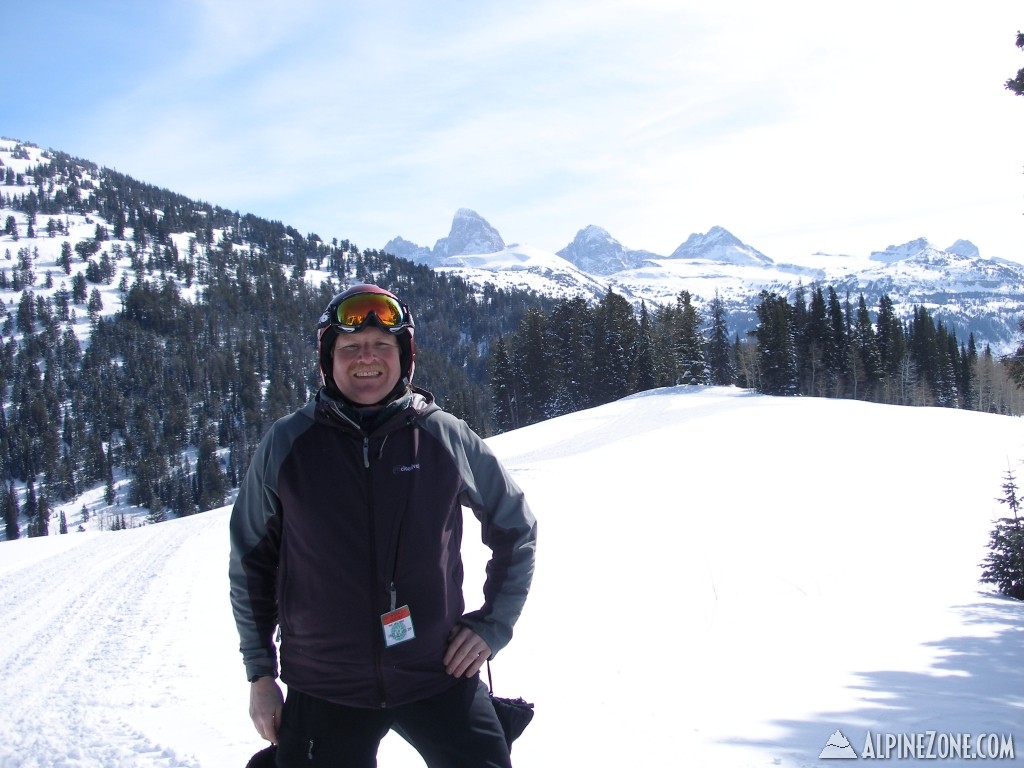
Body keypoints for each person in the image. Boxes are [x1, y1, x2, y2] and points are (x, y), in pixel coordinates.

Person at [229, 284, 537, 767]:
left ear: (405, 357)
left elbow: (515, 527)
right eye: (349, 347)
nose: (365, 358)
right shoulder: (289, 443)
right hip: (326, 682)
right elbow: (250, 562)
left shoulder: (442, 435)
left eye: (381, 346)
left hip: (435, 671)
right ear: (329, 360)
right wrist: (260, 674)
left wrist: (493, 625)